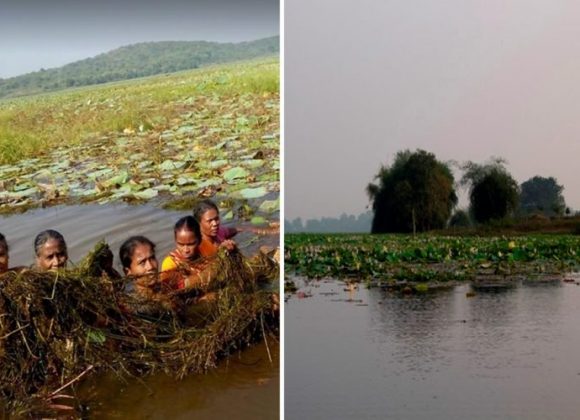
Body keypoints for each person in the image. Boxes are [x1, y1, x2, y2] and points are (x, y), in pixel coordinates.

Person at [160, 216, 202, 289]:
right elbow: (168, 290)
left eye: (191, 244)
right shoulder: (170, 264)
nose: (186, 250)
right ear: (175, 241)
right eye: (181, 244)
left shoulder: (205, 247)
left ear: (199, 240)